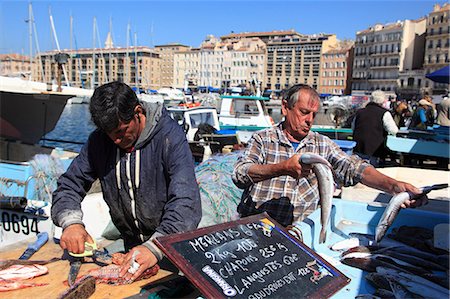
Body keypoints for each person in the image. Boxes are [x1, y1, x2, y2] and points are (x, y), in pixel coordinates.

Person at [51, 82, 201, 281]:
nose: (115, 141)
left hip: (170, 245)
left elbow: (186, 201)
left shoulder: (169, 137)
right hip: (130, 246)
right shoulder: (100, 141)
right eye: (109, 134)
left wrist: (155, 247)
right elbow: (70, 184)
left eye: (121, 132)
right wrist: (71, 222)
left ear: (138, 112)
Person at [232, 84, 427, 227]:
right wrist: (282, 168)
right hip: (256, 227)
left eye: (313, 114)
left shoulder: (321, 144)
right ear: (285, 107)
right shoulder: (262, 139)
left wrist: (394, 186)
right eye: (304, 112)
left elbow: (353, 167)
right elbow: (240, 174)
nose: (309, 120)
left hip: (298, 232)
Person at [352, 90, 399, 167]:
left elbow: (353, 127)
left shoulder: (359, 112)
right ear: (383, 101)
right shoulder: (384, 113)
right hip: (374, 149)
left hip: (358, 147)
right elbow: (394, 130)